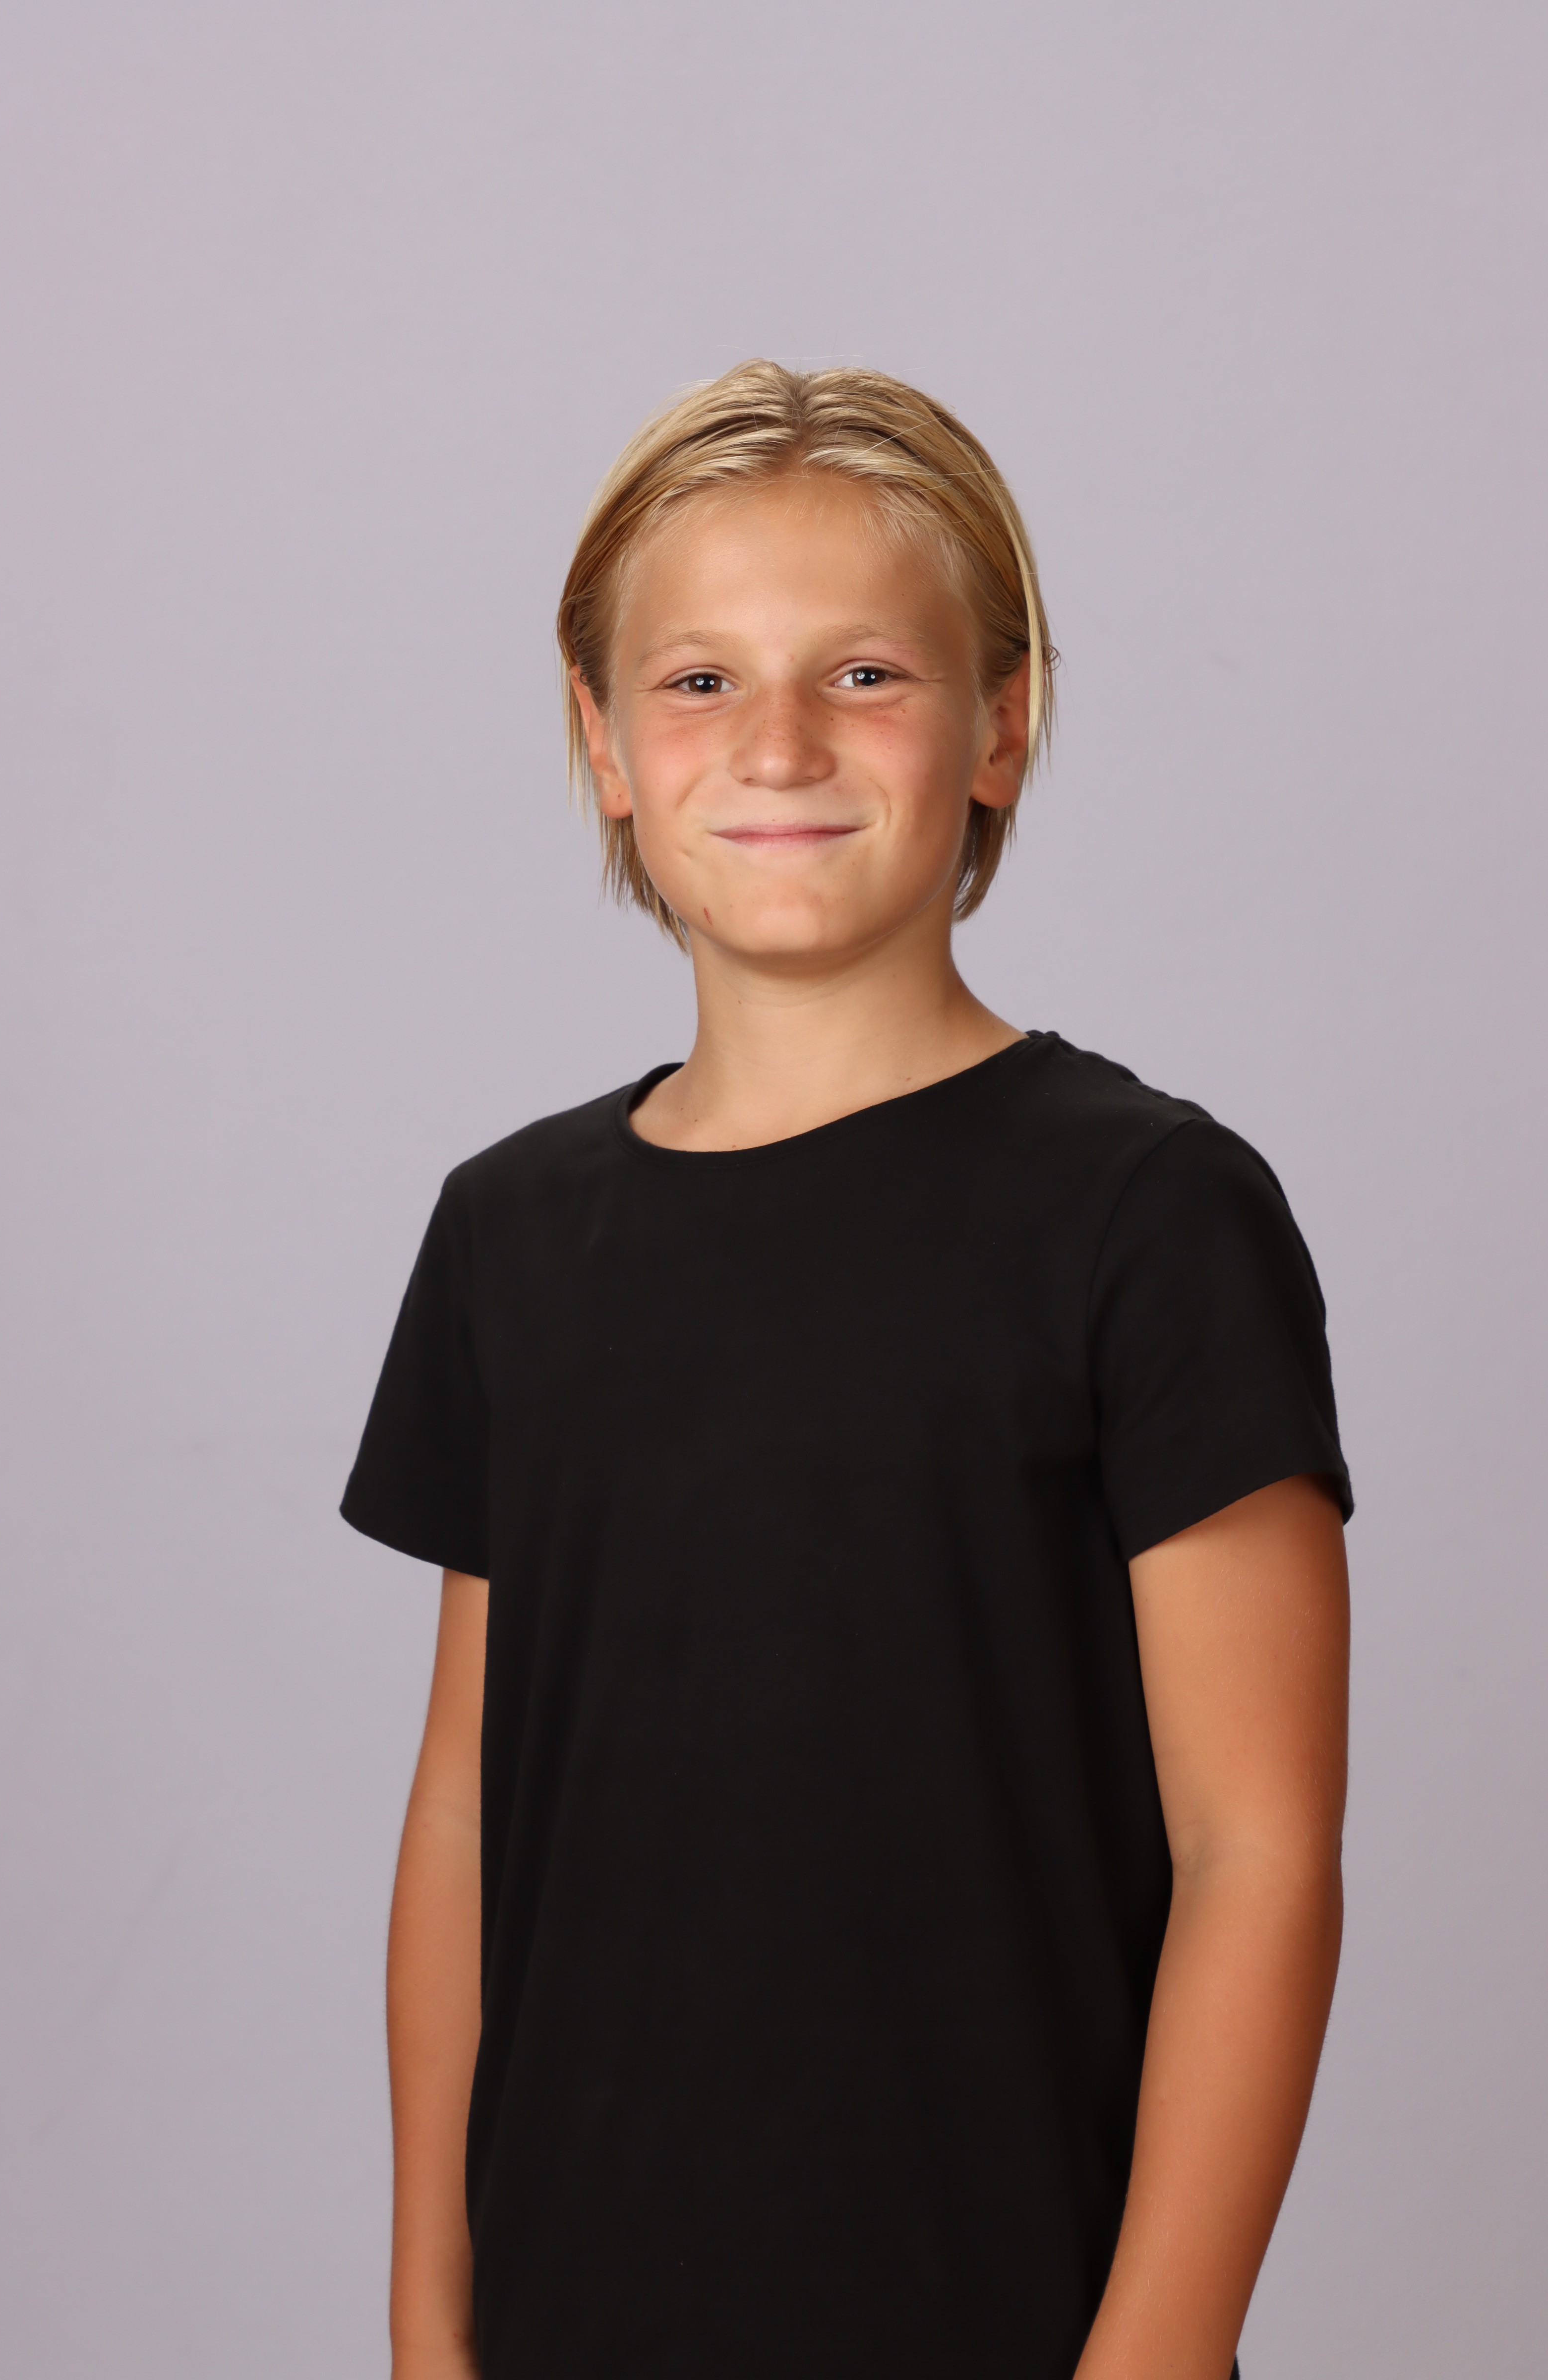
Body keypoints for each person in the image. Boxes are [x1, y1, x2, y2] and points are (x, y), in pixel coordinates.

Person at [341, 360, 1352, 2380]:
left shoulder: (1152, 1217)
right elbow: (464, 1813)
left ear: (1001, 726)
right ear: (604, 741)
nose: (778, 741)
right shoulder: (507, 1233)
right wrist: (429, 2329)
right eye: (699, 679)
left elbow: (1259, 1855)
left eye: (866, 674)